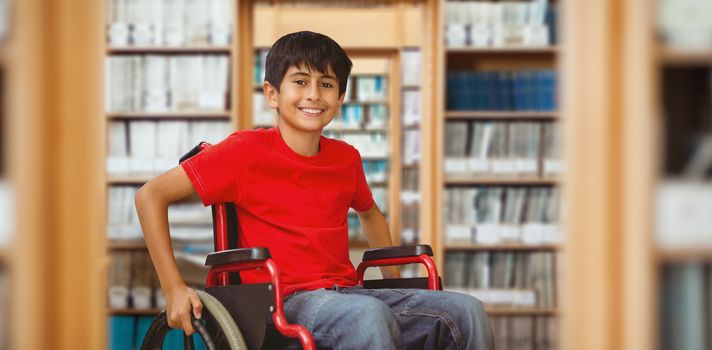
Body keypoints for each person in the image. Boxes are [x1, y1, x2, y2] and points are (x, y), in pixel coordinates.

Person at [135, 30, 494, 350]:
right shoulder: (242, 152)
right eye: (301, 81)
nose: (314, 95)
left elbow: (369, 212)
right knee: (367, 315)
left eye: (326, 84)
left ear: (340, 99)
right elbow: (150, 195)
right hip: (283, 301)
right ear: (272, 94)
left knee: (465, 311)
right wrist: (174, 288)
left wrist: (396, 285)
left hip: (346, 294)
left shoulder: (346, 158)